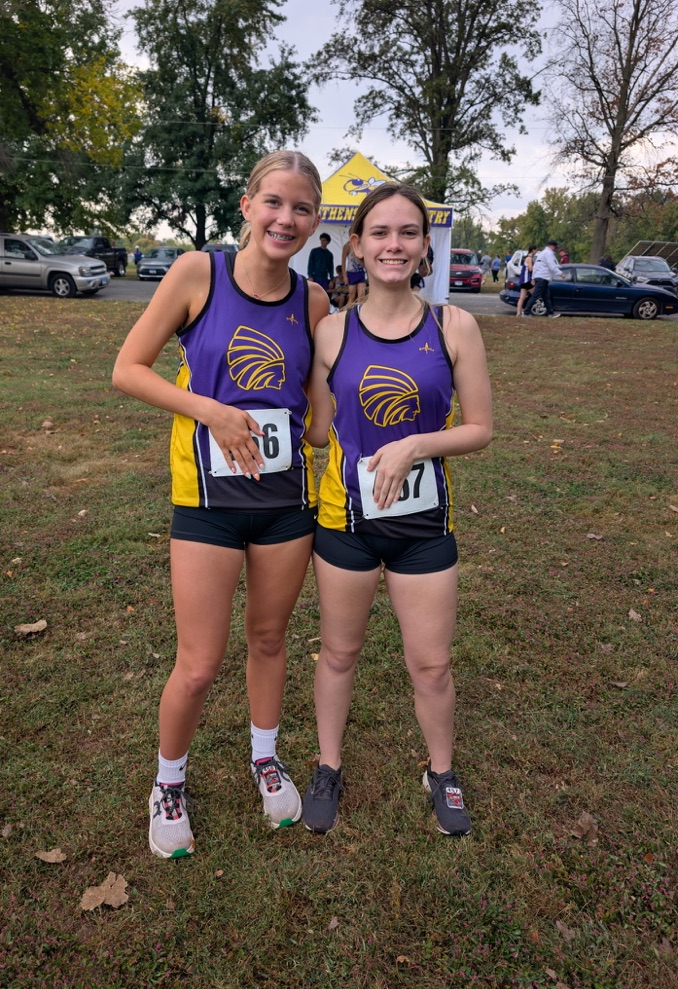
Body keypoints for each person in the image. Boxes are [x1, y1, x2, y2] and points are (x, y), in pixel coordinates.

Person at [112, 151, 330, 859]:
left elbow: (319, 419)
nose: (285, 218)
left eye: (301, 208)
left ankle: (264, 756)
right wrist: (210, 409)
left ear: (316, 220)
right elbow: (128, 369)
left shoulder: (314, 302)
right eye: (273, 202)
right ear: (247, 204)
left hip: (285, 502)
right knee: (200, 661)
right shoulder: (196, 273)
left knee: (269, 639)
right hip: (206, 499)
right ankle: (168, 779)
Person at [302, 182, 493, 837]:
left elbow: (480, 429)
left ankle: (441, 771)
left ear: (424, 247)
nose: (393, 244)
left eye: (407, 232)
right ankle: (328, 765)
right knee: (338, 652)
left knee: (432, 663)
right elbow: (321, 433)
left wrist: (415, 442)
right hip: (345, 523)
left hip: (422, 529)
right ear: (356, 244)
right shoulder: (331, 331)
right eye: (379, 232)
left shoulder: (454, 326)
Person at [523, 239, 565, 317]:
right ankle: (526, 312)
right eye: (555, 247)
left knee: (546, 296)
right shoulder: (548, 254)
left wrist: (533, 277)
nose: (556, 249)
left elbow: (536, 266)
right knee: (535, 296)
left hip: (541, 278)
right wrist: (561, 274)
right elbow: (552, 266)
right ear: (551, 246)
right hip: (543, 278)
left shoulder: (542, 253)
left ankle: (550, 313)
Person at [342, 240, 367, 305]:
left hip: (361, 271)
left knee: (361, 296)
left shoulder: (362, 245)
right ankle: (347, 313)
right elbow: (343, 261)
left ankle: (358, 313)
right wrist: (344, 275)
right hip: (351, 273)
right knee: (351, 296)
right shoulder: (347, 246)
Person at [515, 244, 537, 317]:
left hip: (523, 281)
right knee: (535, 294)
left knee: (522, 297)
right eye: (536, 250)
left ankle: (518, 313)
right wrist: (537, 266)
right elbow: (530, 269)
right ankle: (526, 311)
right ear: (533, 250)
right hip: (527, 281)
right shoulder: (530, 258)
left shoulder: (526, 258)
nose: (536, 251)